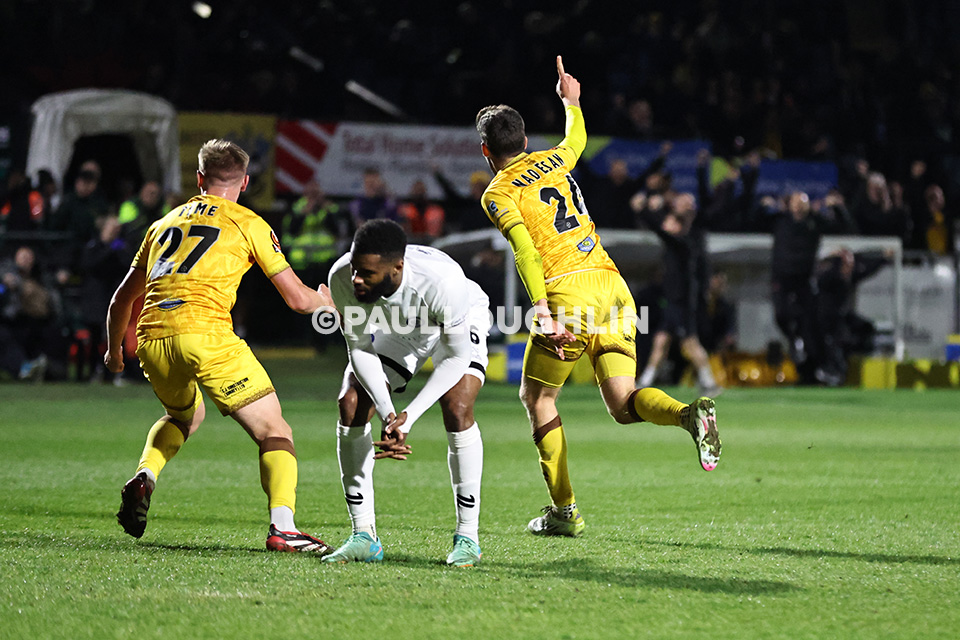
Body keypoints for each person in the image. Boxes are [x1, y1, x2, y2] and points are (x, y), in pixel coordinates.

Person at [474, 57, 721, 538]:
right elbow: (577, 140)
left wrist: (541, 307)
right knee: (624, 405)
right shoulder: (553, 159)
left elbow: (525, 248)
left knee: (538, 397)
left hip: (567, 295)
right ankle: (688, 415)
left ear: (486, 151)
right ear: (525, 141)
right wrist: (573, 101)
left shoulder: (498, 192)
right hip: (613, 288)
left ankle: (564, 512)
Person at [105, 139, 336, 553]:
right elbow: (299, 300)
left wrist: (113, 351)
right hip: (206, 333)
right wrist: (325, 301)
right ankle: (283, 527)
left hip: (153, 336)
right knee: (274, 430)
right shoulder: (248, 222)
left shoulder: (162, 225)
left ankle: (146, 474)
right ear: (245, 182)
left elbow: (122, 297)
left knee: (183, 415)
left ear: (199, 179)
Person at [323, 219, 490, 567]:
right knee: (351, 401)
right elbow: (360, 350)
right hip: (402, 327)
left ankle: (467, 538)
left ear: (397, 268)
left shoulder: (443, 284)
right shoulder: (342, 278)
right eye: (355, 269)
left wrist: (407, 417)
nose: (356, 280)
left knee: (457, 406)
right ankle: (363, 535)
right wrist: (388, 413)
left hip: (455, 318)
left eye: (366, 274)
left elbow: (456, 357)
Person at [635, 193, 722, 396]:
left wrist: (644, 211)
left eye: (670, 223)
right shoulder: (675, 246)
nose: (666, 225)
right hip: (673, 302)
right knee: (660, 340)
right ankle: (645, 381)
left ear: (677, 227)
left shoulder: (682, 245)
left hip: (682, 303)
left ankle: (709, 383)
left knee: (690, 343)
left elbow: (659, 230)